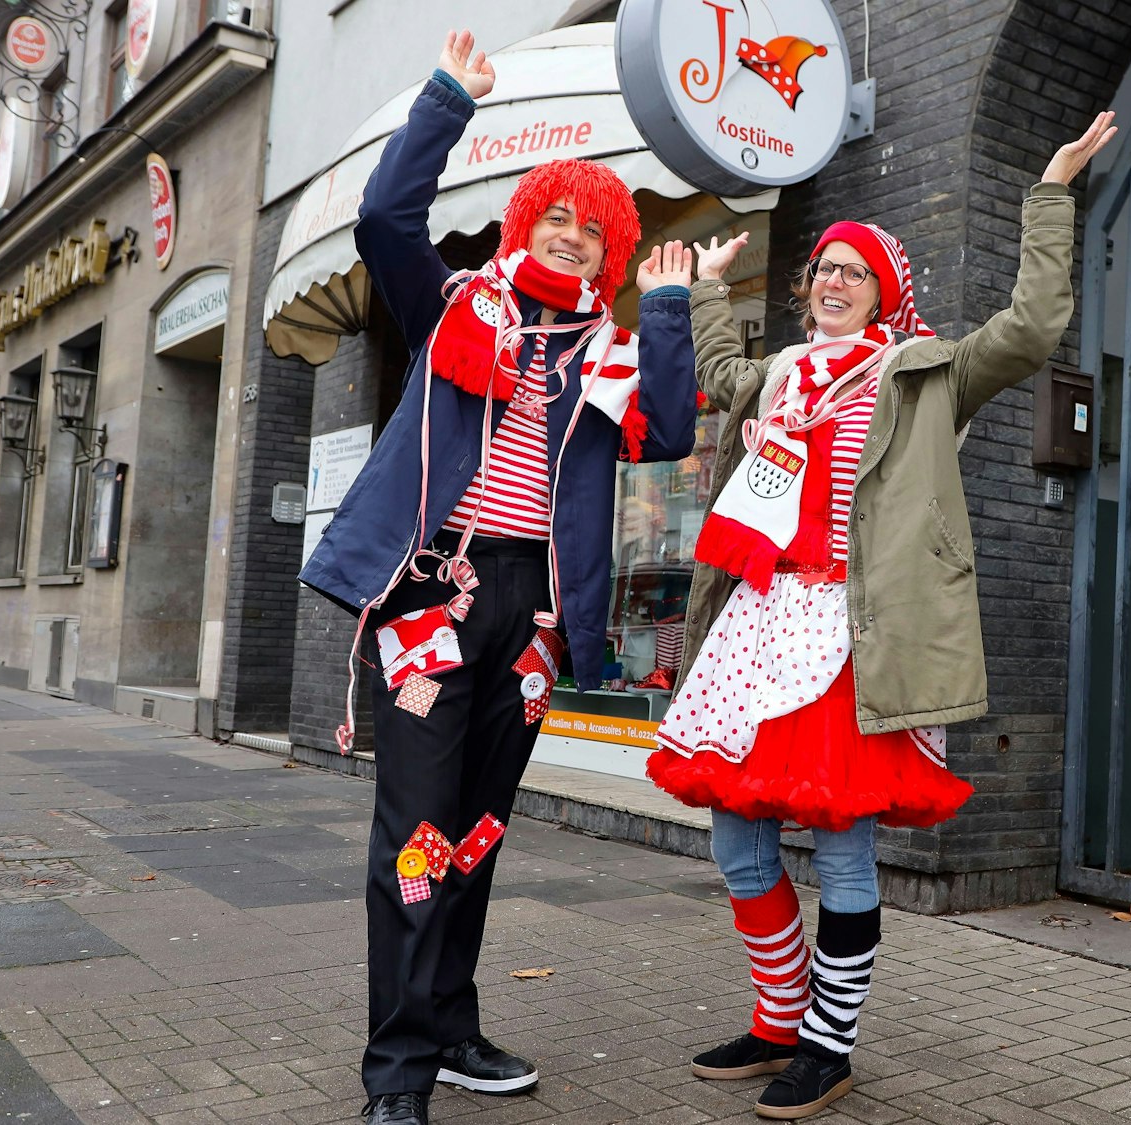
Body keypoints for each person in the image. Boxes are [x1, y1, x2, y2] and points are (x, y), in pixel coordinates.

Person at [646, 111, 1118, 1120]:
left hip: (853, 635)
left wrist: (1049, 193)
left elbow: (1030, 329)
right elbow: (720, 377)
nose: (831, 279)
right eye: (821, 265)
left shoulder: (923, 373)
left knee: (848, 852)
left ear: (885, 293)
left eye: (853, 271)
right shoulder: (777, 376)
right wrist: (704, 289)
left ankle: (828, 1045)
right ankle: (778, 1018)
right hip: (757, 624)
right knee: (737, 841)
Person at [296, 31, 698, 1125]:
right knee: (416, 836)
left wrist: (666, 314)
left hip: (531, 613)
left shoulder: (606, 353)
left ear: (608, 251)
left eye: (593, 228)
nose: (571, 236)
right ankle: (397, 1077)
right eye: (556, 218)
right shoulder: (460, 308)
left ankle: (452, 1021)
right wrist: (446, 101)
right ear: (527, 226)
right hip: (431, 594)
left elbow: (665, 432)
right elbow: (383, 220)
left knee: (474, 828)